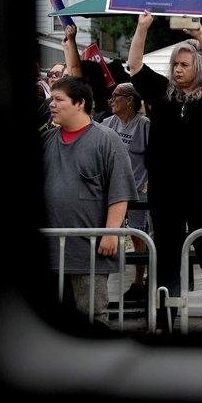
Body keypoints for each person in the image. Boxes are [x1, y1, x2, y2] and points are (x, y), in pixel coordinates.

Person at [127, 11, 202, 335]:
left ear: (198, 68)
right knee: (167, 257)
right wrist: (142, 27)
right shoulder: (162, 93)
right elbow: (134, 66)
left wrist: (201, 35)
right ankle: (163, 324)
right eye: (175, 64)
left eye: (184, 64)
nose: (177, 69)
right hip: (166, 188)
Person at [42, 76, 137, 325]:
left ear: (80, 103)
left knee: (92, 316)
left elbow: (120, 192)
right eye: (52, 98)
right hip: (51, 250)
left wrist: (110, 233)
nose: (52, 104)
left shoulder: (107, 140)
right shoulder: (47, 141)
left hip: (89, 250)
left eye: (59, 99)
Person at [102, 80, 151, 307]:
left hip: (137, 191)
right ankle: (102, 283)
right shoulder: (108, 123)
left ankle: (139, 283)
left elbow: (155, 157)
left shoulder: (144, 125)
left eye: (116, 96)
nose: (111, 101)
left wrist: (148, 183)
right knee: (107, 235)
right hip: (112, 192)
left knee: (138, 235)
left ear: (129, 100)